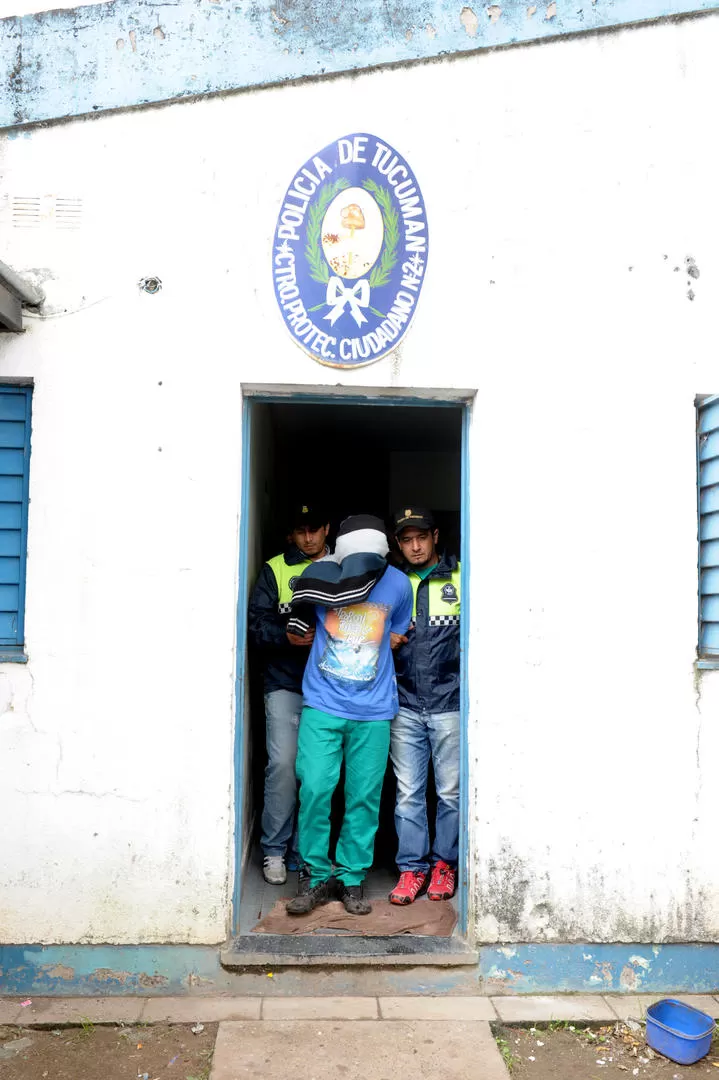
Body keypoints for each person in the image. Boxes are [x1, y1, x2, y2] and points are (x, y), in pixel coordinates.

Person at [284, 514, 413, 917]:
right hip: (323, 704)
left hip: (374, 711)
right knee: (316, 789)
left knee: (363, 798)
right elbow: (296, 629)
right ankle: (316, 874)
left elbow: (396, 633)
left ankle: (352, 877)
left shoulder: (398, 584)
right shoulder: (319, 576)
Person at [248, 504, 330, 885]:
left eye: (315, 530)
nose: (309, 538)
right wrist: (287, 636)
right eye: (301, 532)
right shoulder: (275, 569)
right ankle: (275, 850)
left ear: (327, 529)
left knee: (318, 774)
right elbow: (255, 625)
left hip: (333, 686)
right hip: (285, 681)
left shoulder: (344, 566)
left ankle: (307, 852)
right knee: (282, 766)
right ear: (291, 535)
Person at [388, 508, 461, 905]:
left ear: (434, 536)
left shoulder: (459, 576)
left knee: (449, 792)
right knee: (408, 794)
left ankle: (444, 865)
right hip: (405, 703)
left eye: (421, 538)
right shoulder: (391, 582)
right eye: (406, 540)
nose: (414, 547)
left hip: (450, 700)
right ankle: (411, 870)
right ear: (397, 544)